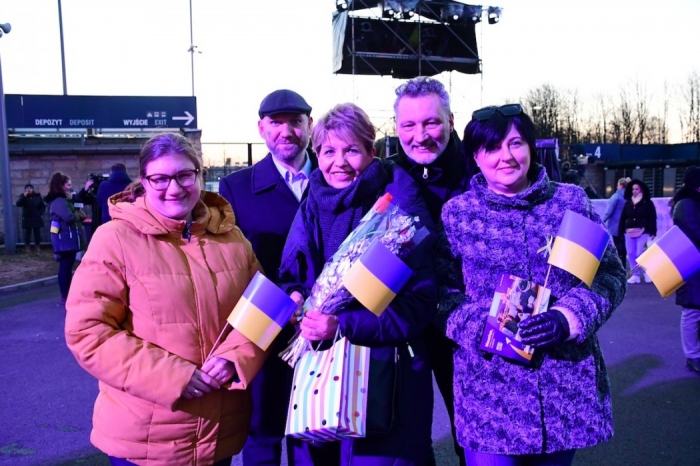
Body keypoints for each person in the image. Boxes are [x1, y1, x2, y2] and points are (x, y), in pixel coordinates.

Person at [437, 104, 626, 465]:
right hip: (488, 391)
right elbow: (441, 296)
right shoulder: (458, 214)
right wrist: (485, 326)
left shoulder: (568, 202)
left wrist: (567, 318)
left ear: (531, 146)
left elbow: (609, 276)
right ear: (475, 157)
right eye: (491, 148)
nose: (506, 157)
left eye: (516, 143)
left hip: (561, 389)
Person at [64, 133, 268, 465]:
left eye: (184, 175)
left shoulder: (232, 239)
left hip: (218, 433)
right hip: (144, 438)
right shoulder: (114, 239)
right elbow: (88, 332)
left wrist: (235, 358)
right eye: (160, 178)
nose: (174, 188)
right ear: (143, 181)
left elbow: (261, 312)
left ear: (199, 175)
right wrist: (174, 377)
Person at [279, 103, 437, 465]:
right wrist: (297, 296)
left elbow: (418, 303)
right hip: (318, 369)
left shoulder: (399, 209)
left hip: (385, 373)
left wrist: (343, 324)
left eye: (351, 150)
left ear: (372, 151)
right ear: (315, 154)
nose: (339, 162)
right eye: (328, 151)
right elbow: (293, 275)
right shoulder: (310, 205)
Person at [218, 89, 318, 466]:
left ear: (310, 125)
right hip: (263, 325)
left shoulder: (333, 176)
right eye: (276, 123)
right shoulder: (236, 188)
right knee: (262, 432)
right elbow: (233, 264)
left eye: (295, 122)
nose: (286, 131)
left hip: (323, 326)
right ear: (261, 128)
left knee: (313, 430)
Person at [386, 76, 470, 466]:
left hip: (467, 327)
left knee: (472, 435)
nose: (420, 135)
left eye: (431, 122)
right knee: (409, 440)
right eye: (409, 125)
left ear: (451, 120)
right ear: (396, 127)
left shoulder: (482, 171)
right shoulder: (382, 177)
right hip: (405, 324)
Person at [671, 166, 700, 375]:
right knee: (692, 310)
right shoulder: (686, 204)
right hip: (691, 264)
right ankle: (692, 355)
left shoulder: (690, 203)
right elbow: (694, 232)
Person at [45, 172, 87, 305]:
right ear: (61, 186)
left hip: (67, 239)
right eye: (68, 185)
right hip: (65, 240)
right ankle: (65, 296)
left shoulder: (64, 200)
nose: (70, 187)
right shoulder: (59, 201)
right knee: (65, 268)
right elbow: (69, 217)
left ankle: (67, 294)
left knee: (67, 267)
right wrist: (78, 214)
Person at [619, 179, 657, 284]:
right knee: (631, 253)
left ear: (641, 190)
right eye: (633, 189)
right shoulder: (628, 203)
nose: (634, 191)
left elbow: (652, 217)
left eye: (637, 189)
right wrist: (621, 231)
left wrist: (652, 232)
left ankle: (646, 273)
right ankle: (635, 275)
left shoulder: (648, 203)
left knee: (640, 253)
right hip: (629, 232)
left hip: (643, 231)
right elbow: (623, 217)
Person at [602, 177, 631, 267]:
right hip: (626, 225)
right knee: (623, 244)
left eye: (618, 185)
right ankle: (624, 263)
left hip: (615, 225)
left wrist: (602, 220)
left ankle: (619, 265)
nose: (617, 186)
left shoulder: (616, 196)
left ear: (621, 185)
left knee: (617, 244)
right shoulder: (629, 196)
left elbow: (609, 211)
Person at [16, 183, 46, 252]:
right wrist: (24, 196)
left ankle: (37, 246)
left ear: (33, 189)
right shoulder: (23, 196)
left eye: (30, 188)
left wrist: (39, 213)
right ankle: (27, 247)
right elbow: (18, 204)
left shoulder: (37, 196)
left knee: (37, 233)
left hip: (36, 217)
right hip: (27, 217)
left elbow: (43, 206)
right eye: (27, 188)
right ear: (25, 190)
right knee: (27, 233)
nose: (29, 190)